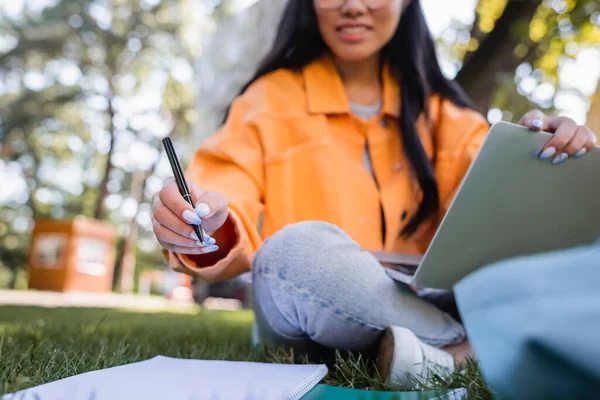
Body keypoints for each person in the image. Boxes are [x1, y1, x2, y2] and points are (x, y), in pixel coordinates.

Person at [151, 0, 597, 389]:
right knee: (291, 255)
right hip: (318, 304)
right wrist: (206, 221)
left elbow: (497, 210)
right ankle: (476, 348)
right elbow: (224, 190)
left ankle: (434, 354)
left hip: (425, 297)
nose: (353, 5)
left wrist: (545, 158)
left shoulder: (445, 113)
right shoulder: (267, 100)